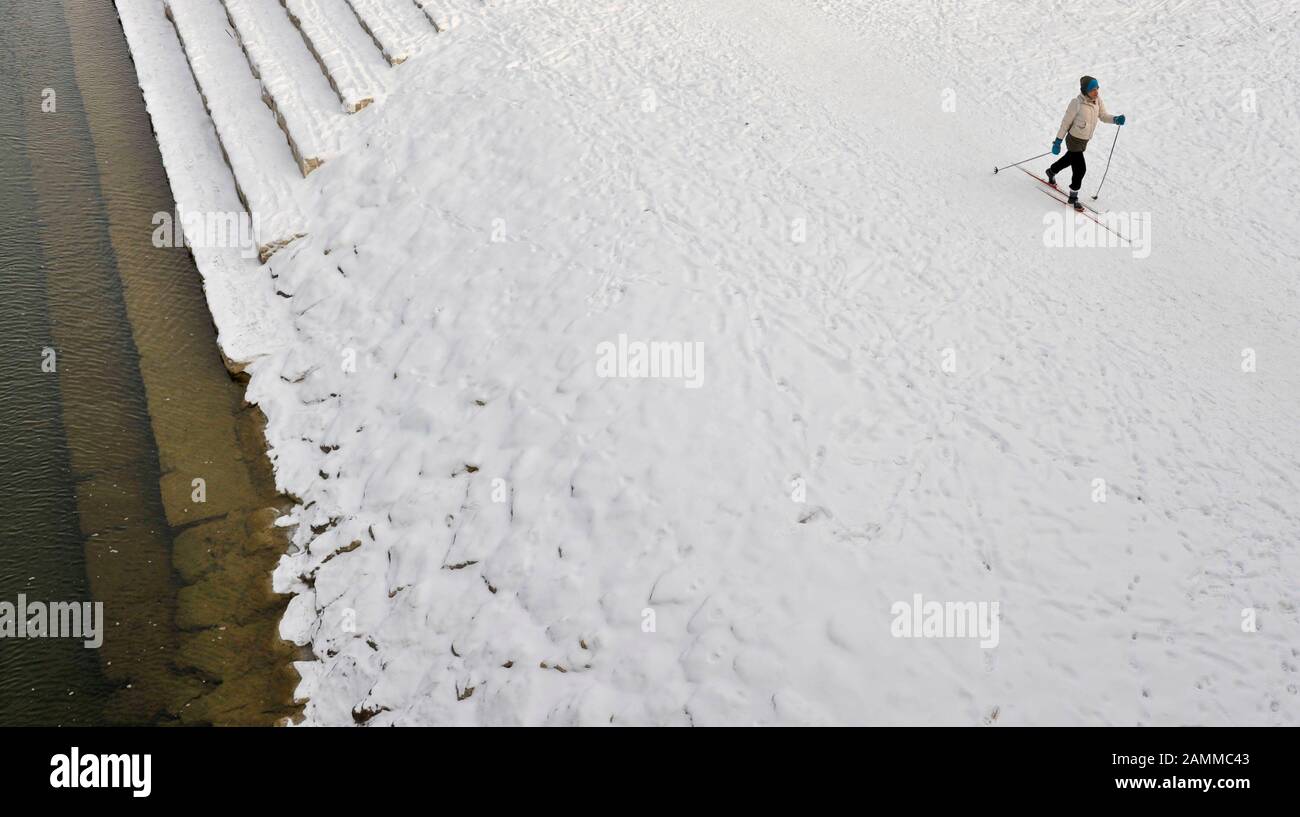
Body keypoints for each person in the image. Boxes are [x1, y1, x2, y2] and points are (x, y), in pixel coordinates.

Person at [1047, 75, 1125, 210]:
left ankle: (1051, 171)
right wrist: (1058, 141)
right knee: (1080, 168)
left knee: (1069, 159)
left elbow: (1103, 115)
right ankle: (1073, 198)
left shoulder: (1097, 101)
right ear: (1085, 91)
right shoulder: (1076, 103)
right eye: (1093, 89)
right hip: (1073, 140)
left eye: (1097, 88)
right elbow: (1066, 123)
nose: (1096, 92)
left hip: (1084, 141)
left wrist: (1115, 119)